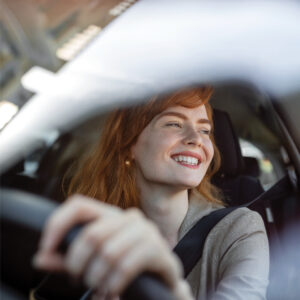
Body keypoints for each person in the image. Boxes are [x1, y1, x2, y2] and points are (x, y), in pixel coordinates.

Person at [33, 87, 269, 300]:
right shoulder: (93, 234)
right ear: (130, 146)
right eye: (174, 124)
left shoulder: (240, 229)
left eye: (205, 130)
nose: (196, 139)